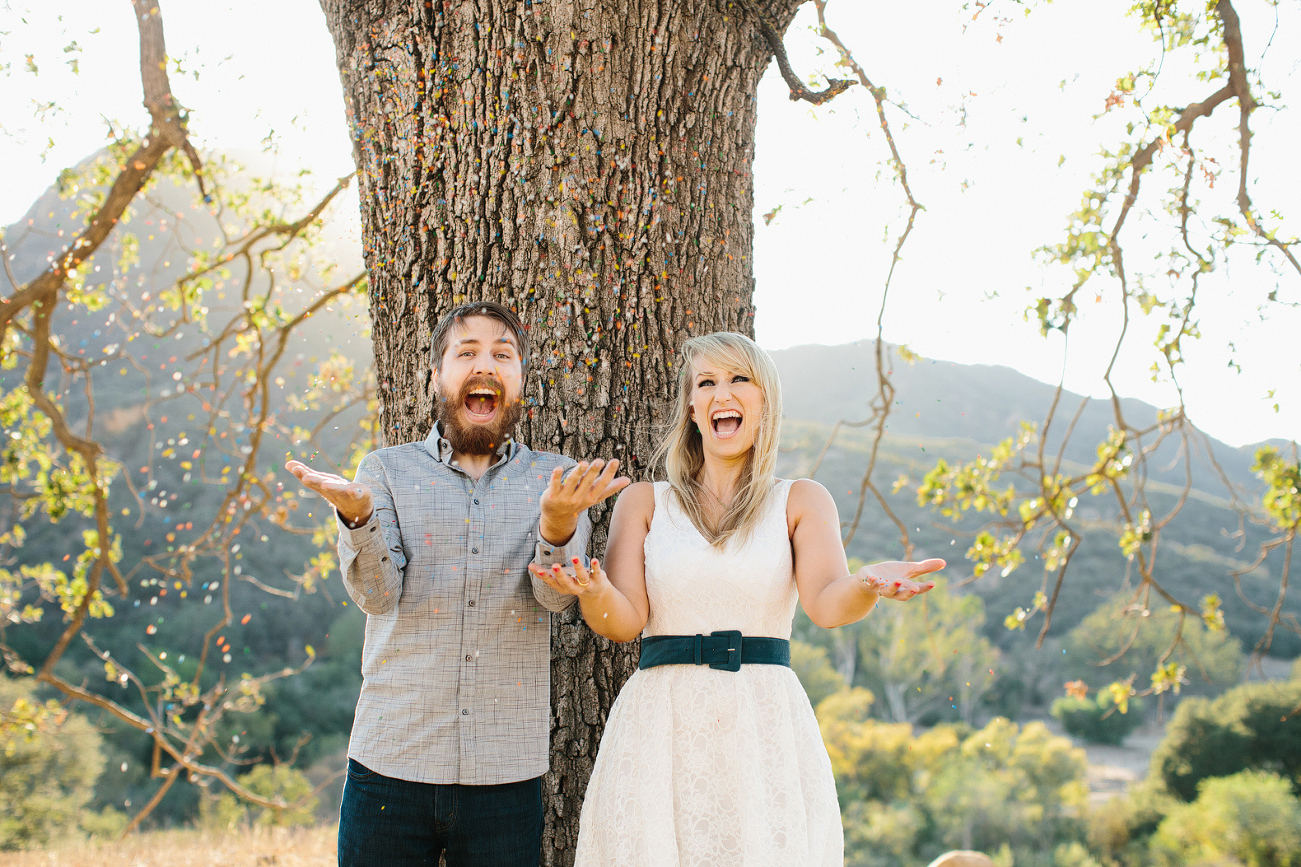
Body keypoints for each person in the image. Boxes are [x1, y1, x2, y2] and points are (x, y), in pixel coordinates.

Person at [530, 331, 944, 866]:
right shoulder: (643, 502)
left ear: (763, 401)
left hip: (762, 725)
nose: (722, 392)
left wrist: (867, 584)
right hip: (662, 725)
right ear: (694, 410)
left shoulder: (800, 500)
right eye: (707, 383)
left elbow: (826, 603)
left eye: (738, 379)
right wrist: (595, 590)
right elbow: (624, 622)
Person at [285, 301, 628, 867]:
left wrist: (558, 524)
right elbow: (377, 596)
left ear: (519, 381)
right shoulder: (385, 472)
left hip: (505, 777)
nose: (484, 364)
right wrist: (358, 519)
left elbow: (553, 597)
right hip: (389, 763)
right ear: (438, 375)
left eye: (502, 354)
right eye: (466, 353)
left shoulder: (559, 480)